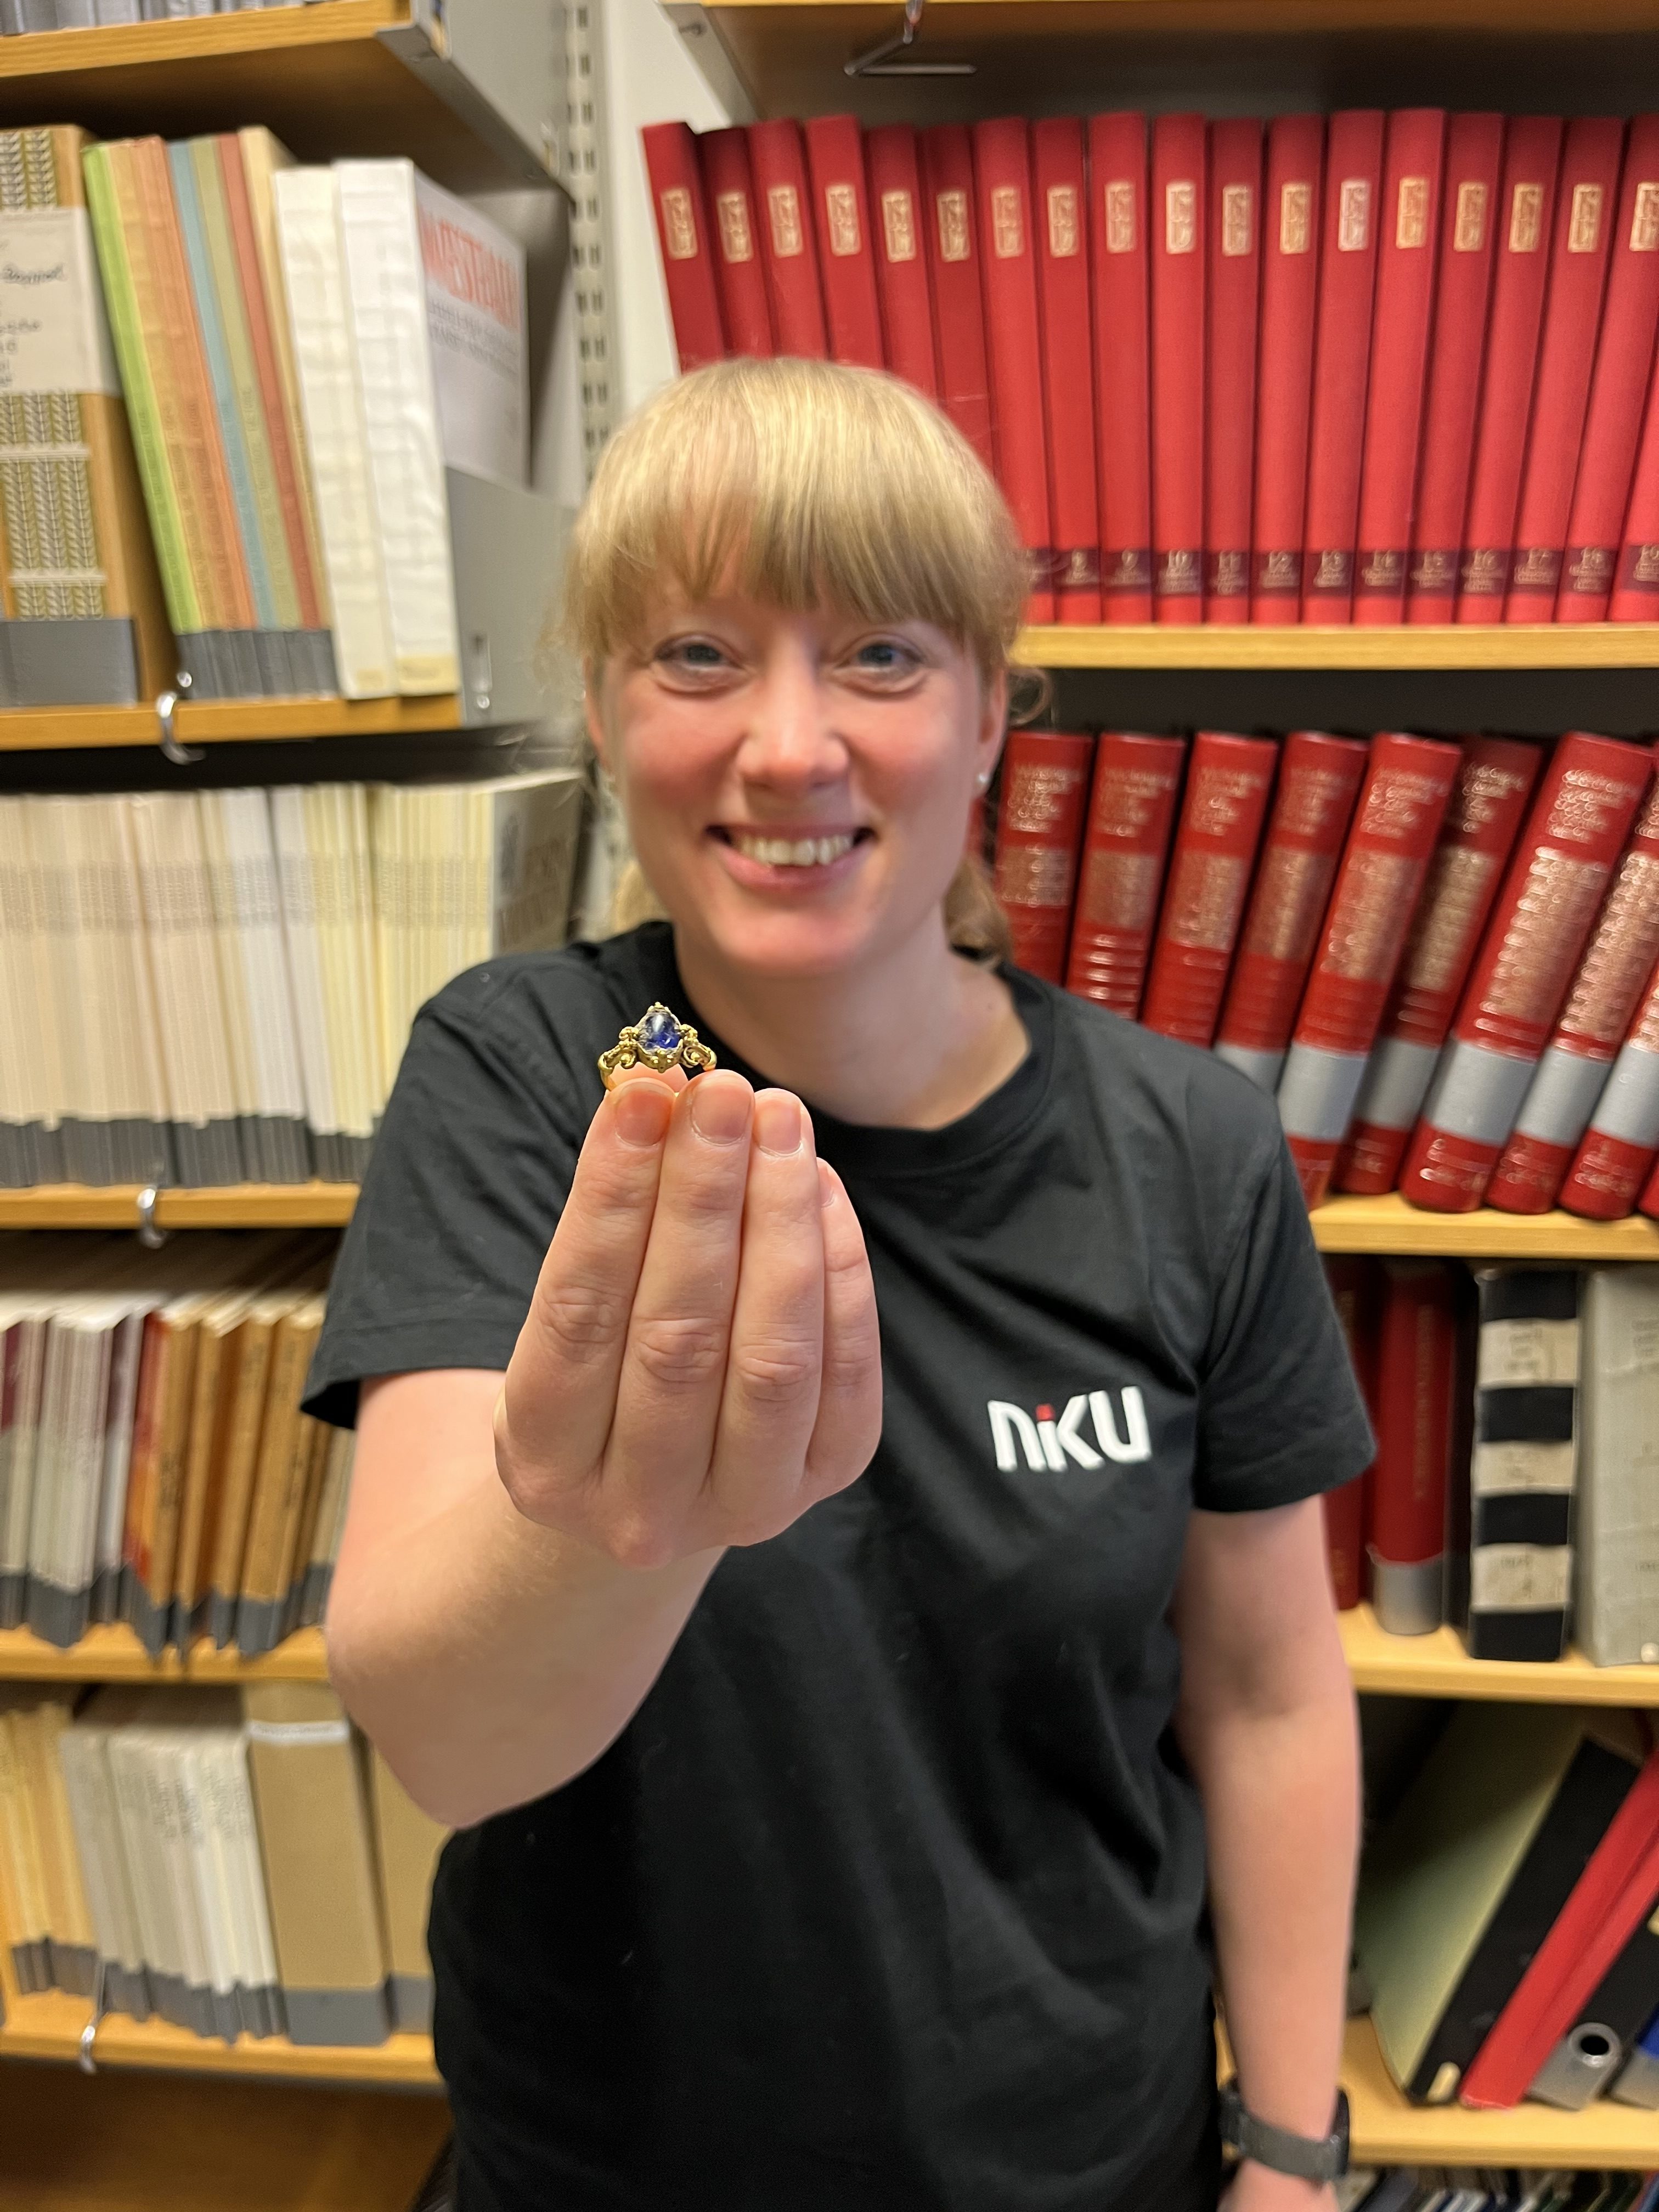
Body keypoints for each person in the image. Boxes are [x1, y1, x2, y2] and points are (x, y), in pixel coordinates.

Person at [307, 357, 1372, 2212]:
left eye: (880, 656)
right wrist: (633, 1516)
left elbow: (1273, 1693)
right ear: (604, 715)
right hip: (612, 2168)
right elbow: (445, 1743)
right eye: (698, 656)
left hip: (1089, 2158)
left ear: (989, 721)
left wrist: (1291, 2149)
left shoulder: (1189, 1143)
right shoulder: (537, 1072)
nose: (787, 746)